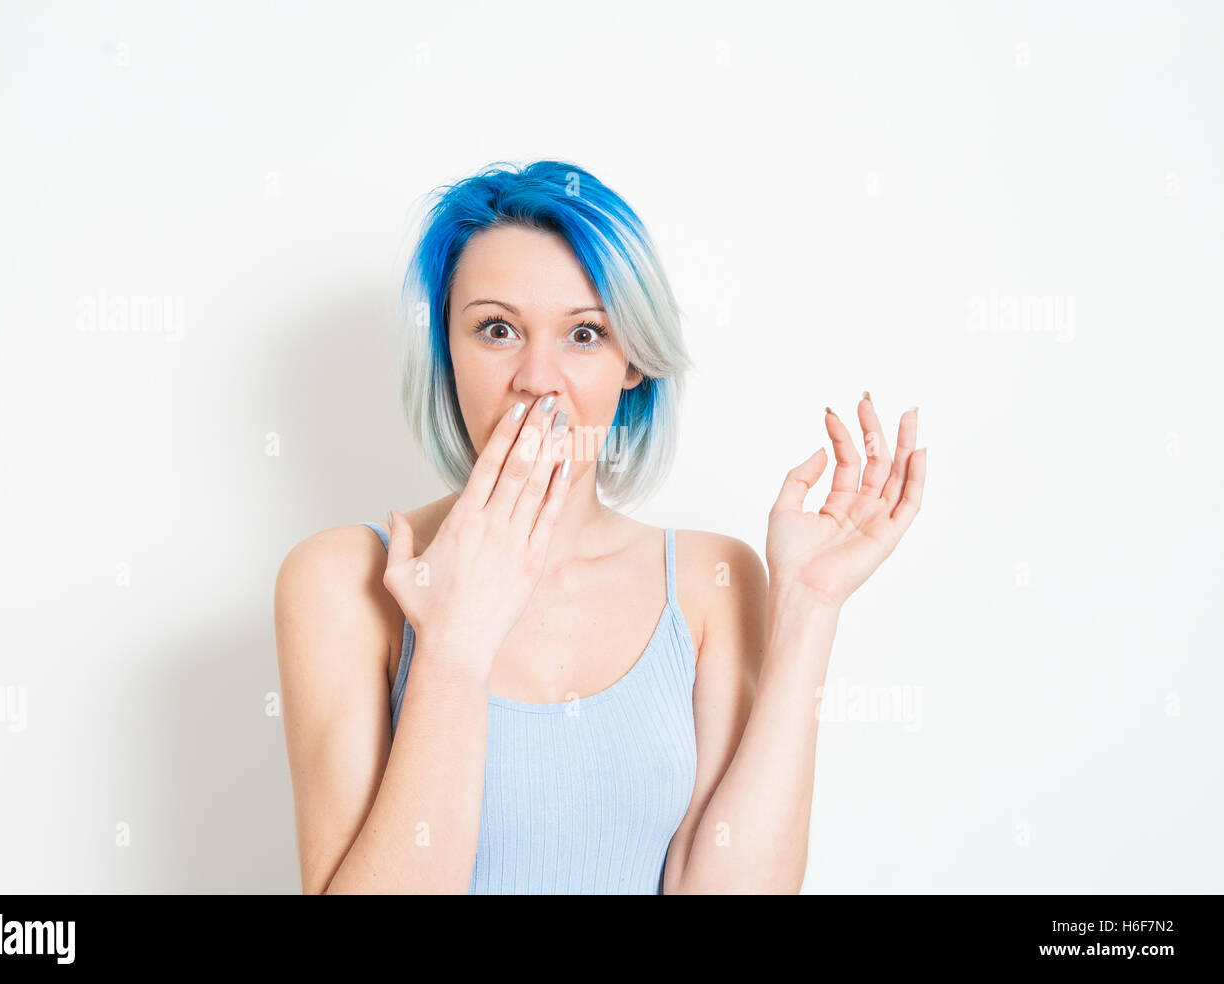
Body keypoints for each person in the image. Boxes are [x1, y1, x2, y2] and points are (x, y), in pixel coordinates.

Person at [274, 160, 927, 894]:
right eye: (496, 329)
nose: (538, 378)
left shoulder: (712, 584)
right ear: (446, 352)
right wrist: (453, 646)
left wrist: (809, 607)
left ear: (632, 363)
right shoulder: (341, 580)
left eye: (584, 334)